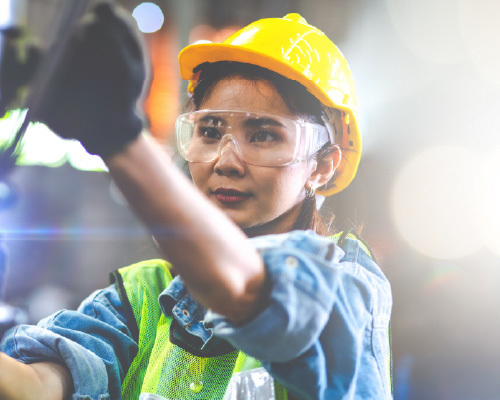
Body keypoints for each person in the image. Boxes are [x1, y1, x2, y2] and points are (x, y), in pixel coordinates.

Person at [0, 3, 392, 399]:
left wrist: (118, 139)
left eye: (263, 135)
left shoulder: (346, 289)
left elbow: (247, 291)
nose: (226, 161)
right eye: (208, 130)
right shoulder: (143, 297)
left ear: (322, 165)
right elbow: (38, 388)